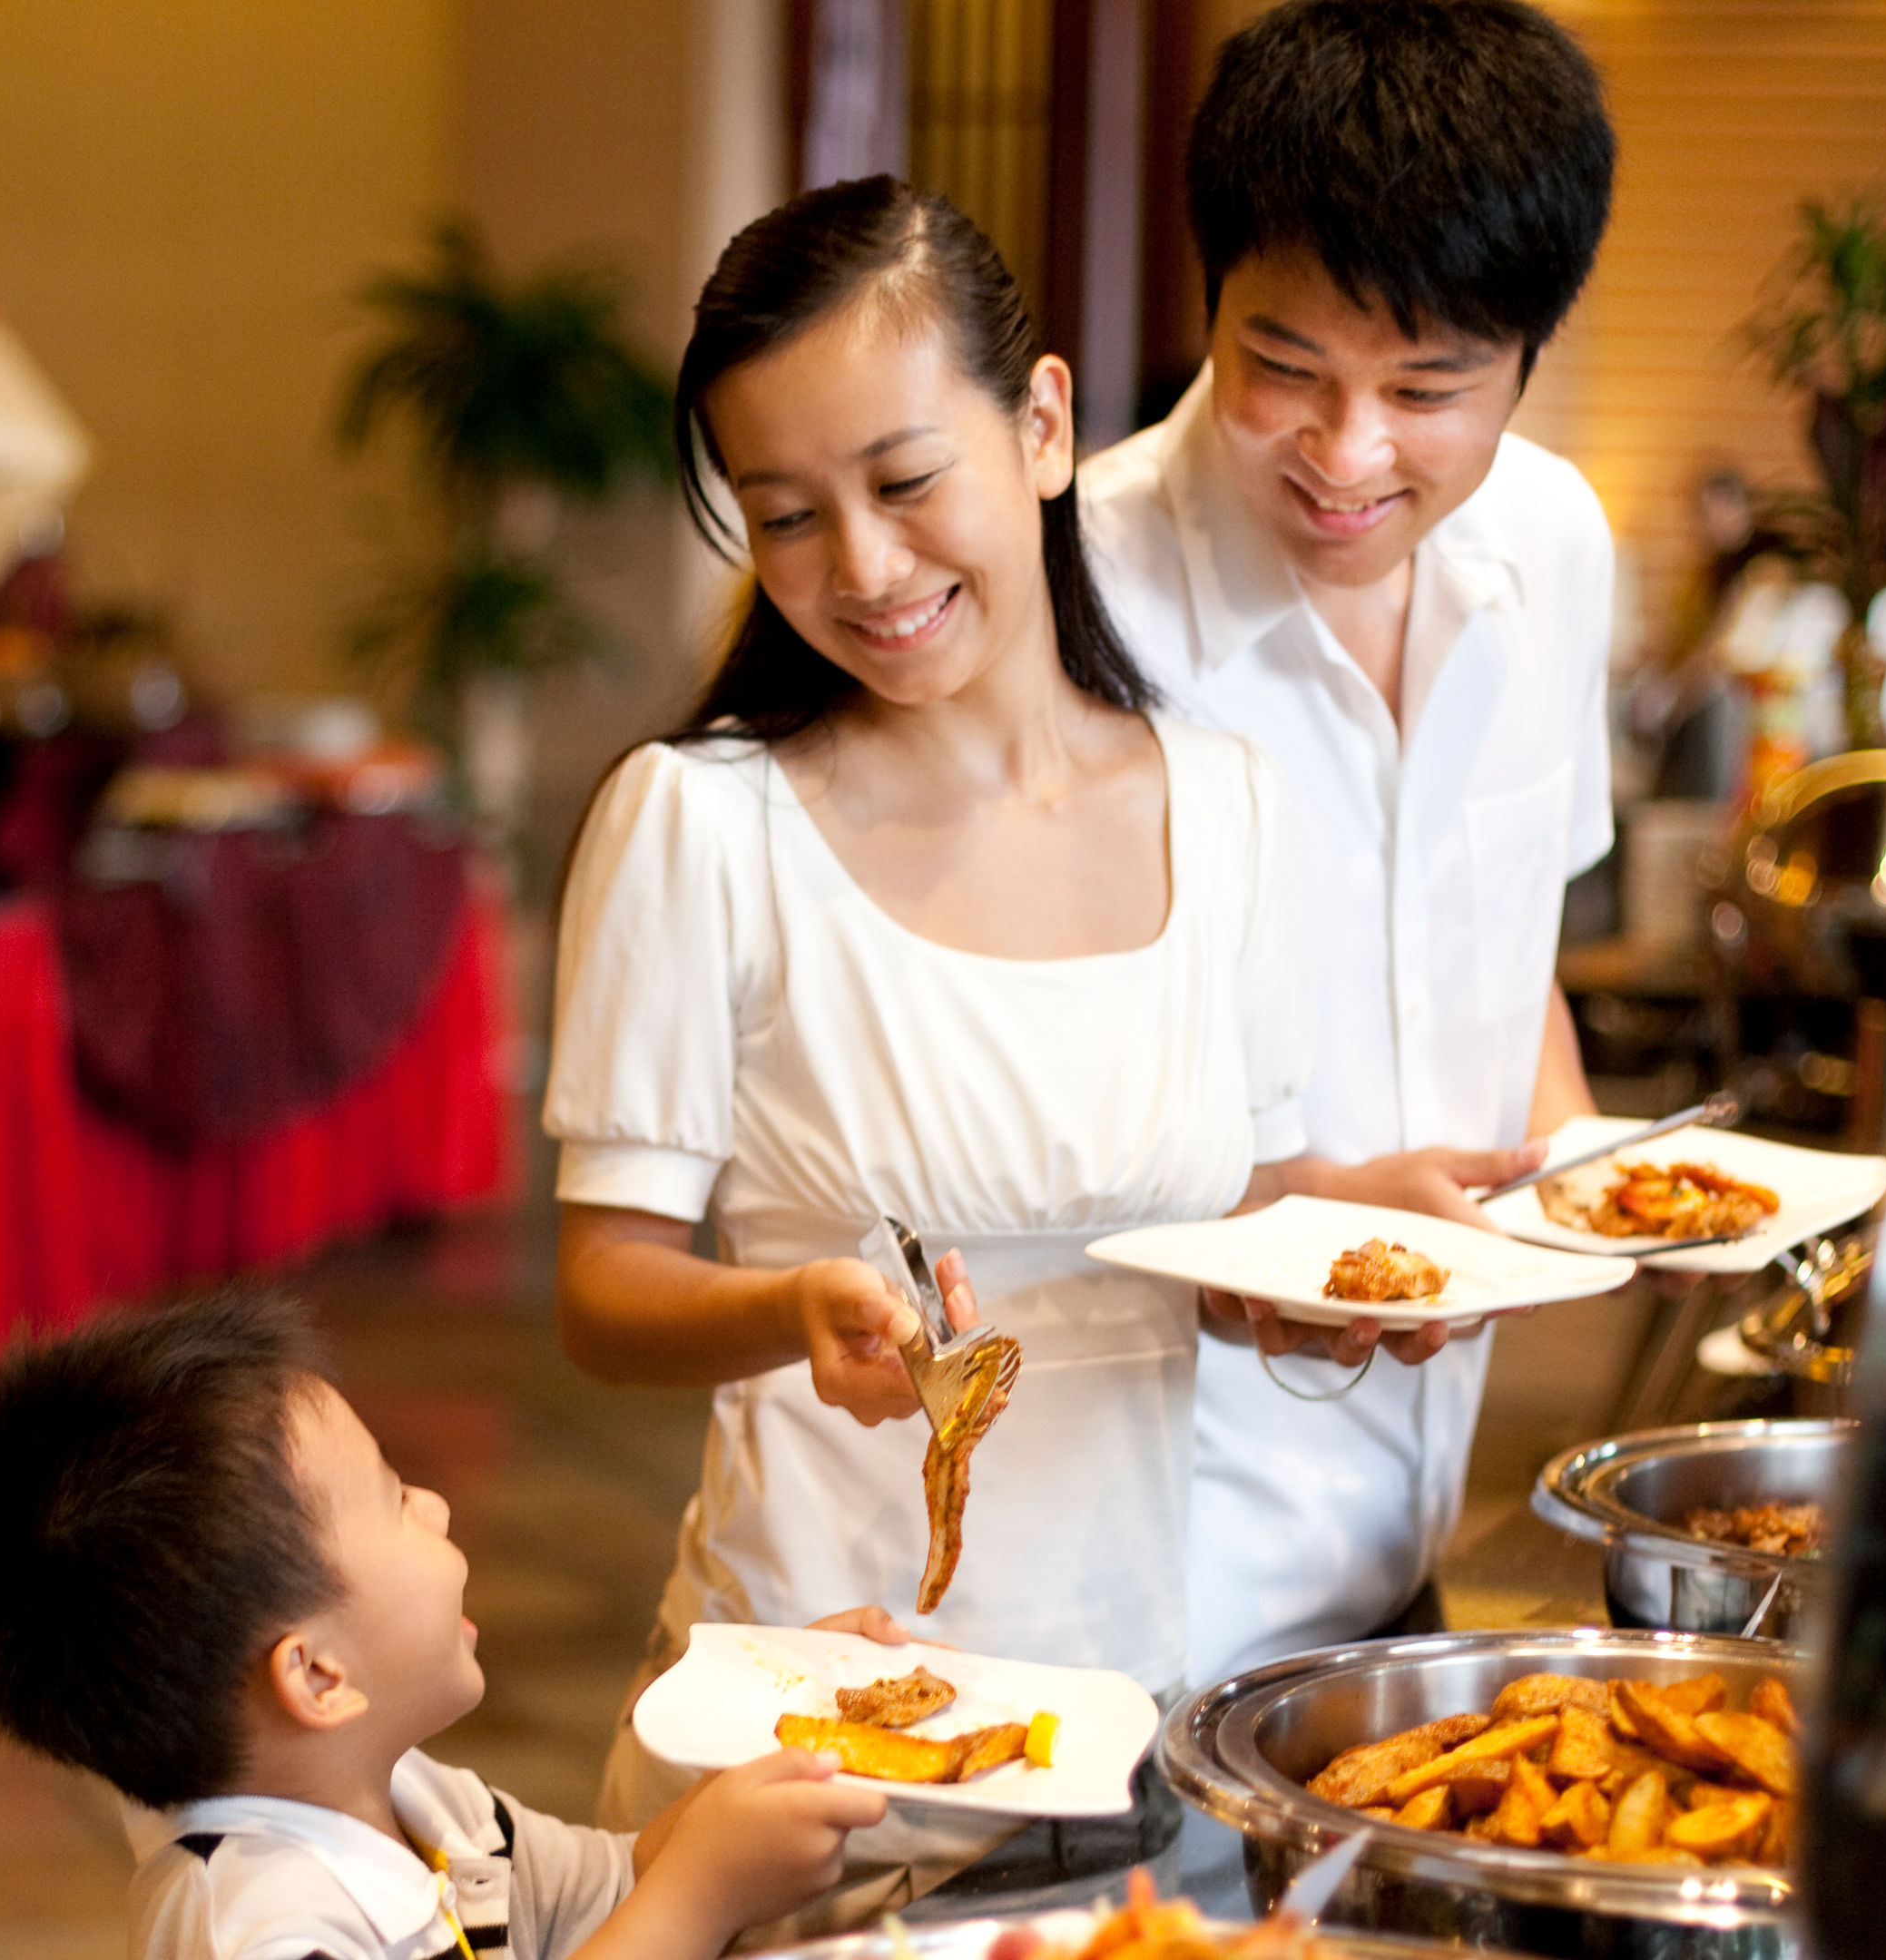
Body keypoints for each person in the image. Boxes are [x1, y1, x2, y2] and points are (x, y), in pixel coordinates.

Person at [545, 176, 1312, 1912]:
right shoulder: (701, 823)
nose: (863, 570)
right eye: (787, 516)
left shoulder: (1231, 807)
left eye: (903, 483)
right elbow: (605, 1291)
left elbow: (1225, 1224)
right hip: (810, 1754)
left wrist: (1363, 1250)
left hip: (1126, 1732)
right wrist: (787, 1307)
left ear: (1041, 427)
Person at [1075, 0, 1622, 1686]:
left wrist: (1586, 1169)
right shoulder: (1071, 591)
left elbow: (1502, 950)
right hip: (1133, 1571)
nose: (1347, 453)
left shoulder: (1554, 542)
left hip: (1403, 1535)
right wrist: (1290, 1220)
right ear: (1209, 298)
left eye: (1428, 389)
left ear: (1529, 357)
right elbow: (996, 1104)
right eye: (1284, 368)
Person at [0, 1291, 889, 1960]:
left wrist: (795, 1731)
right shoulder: (258, 1927)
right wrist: (707, 1895)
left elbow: (610, 1886)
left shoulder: (419, 1807)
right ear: (319, 1677)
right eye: (390, 1496)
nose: (436, 1506)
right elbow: (668, 1900)